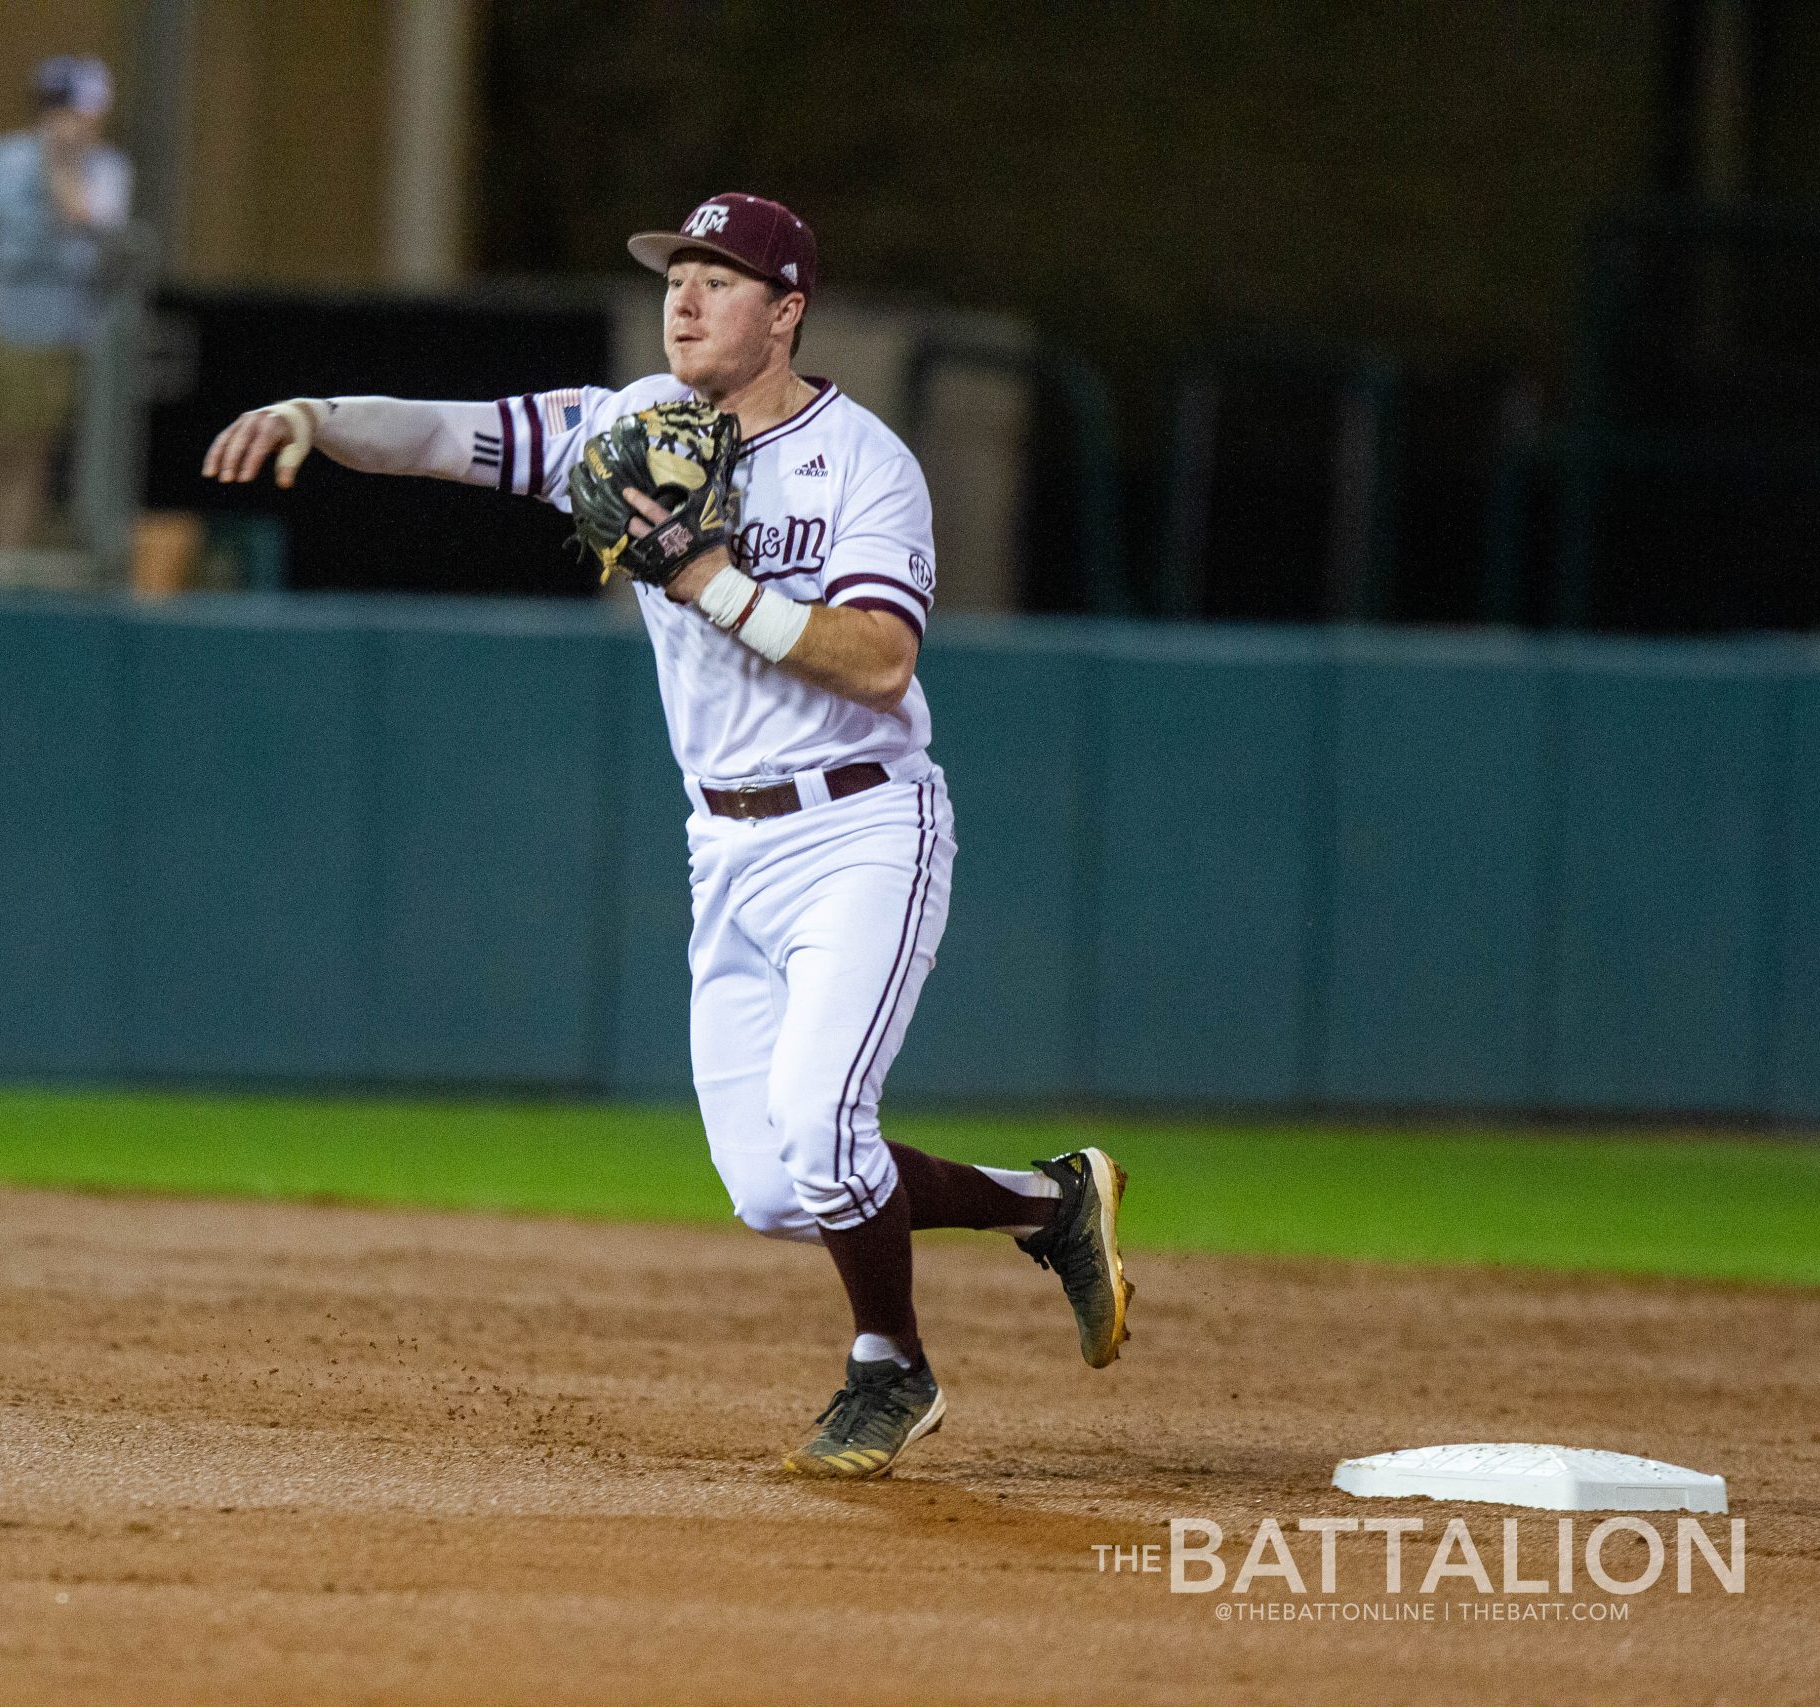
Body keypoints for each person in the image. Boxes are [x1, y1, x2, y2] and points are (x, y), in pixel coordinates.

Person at [201, 194, 1132, 1480]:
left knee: (819, 1129)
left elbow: (876, 659)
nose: (684, 299)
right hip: (727, 849)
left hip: (860, 823)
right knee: (774, 1188)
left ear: (787, 311)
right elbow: (439, 435)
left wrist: (704, 575)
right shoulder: (624, 423)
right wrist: (312, 416)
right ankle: (1051, 1202)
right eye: (675, 275)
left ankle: (890, 1368)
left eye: (721, 279)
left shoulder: (864, 462)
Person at [0, 55, 131, 576]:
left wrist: (62, 165)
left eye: (82, 111)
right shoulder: (3, 157)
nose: (73, 121)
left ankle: (0, 572)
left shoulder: (107, 169)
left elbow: (88, 222)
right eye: (63, 108)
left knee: (26, 456)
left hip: (56, 333)